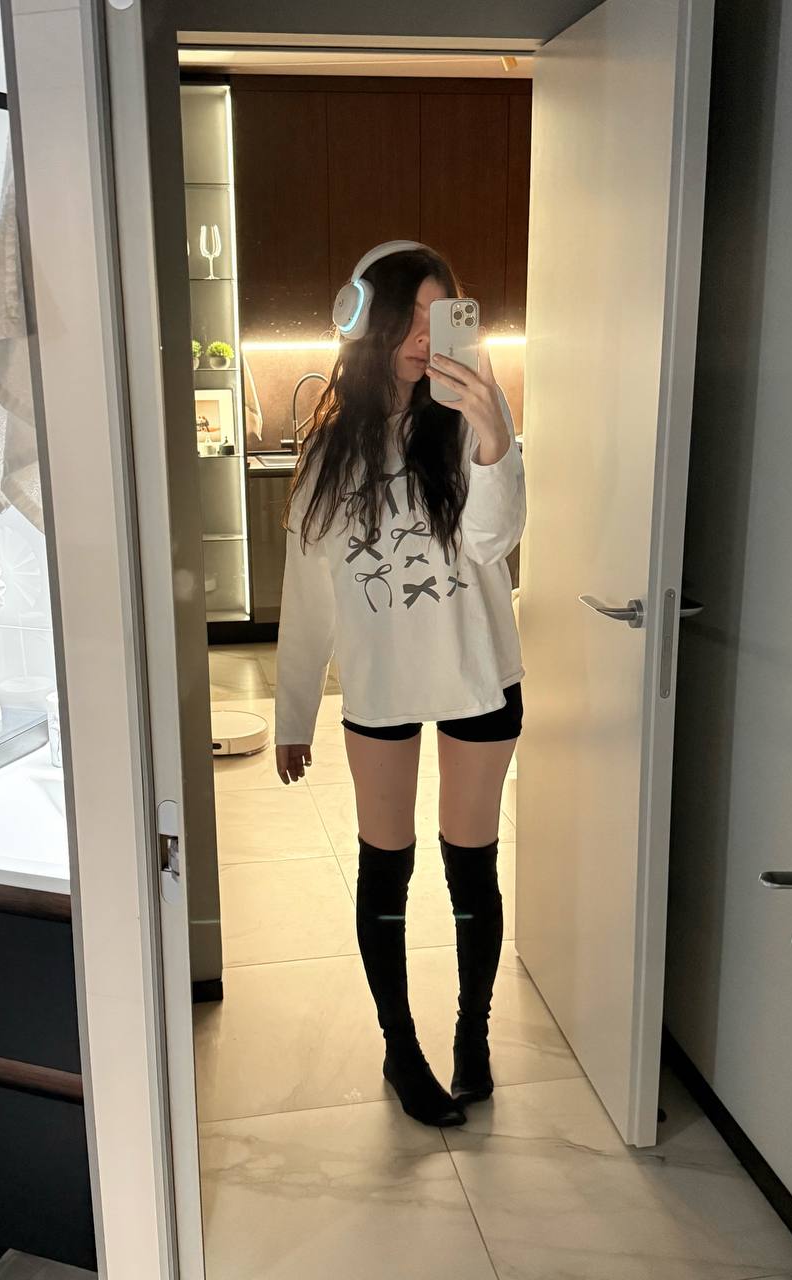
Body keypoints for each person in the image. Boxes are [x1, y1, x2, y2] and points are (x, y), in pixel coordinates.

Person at [274, 241, 526, 1128]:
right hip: (380, 685)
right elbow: (306, 596)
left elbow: (494, 541)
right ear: (368, 320)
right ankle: (400, 1047)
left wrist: (492, 435)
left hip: (477, 676)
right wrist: (293, 712)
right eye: (410, 317)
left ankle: (472, 1036)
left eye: (441, 313)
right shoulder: (327, 453)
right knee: (387, 868)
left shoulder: (468, 419)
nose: (426, 335)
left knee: (471, 869)